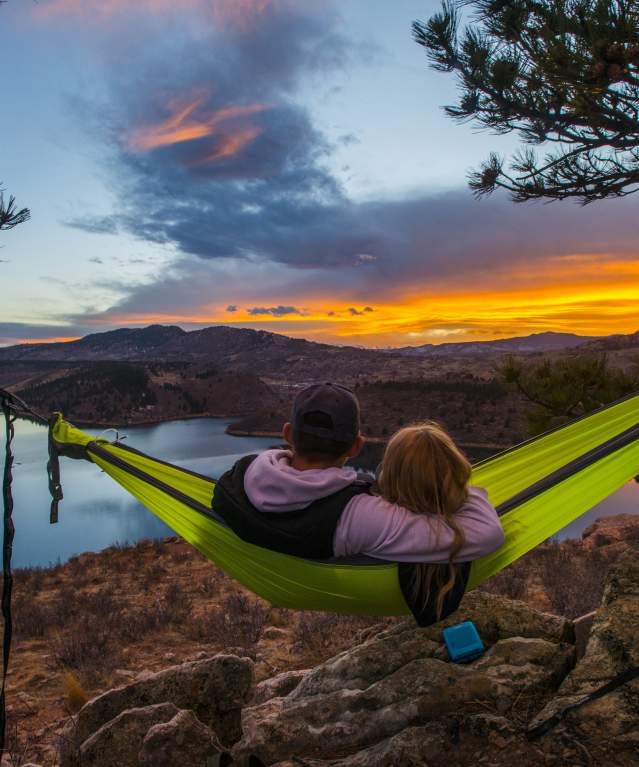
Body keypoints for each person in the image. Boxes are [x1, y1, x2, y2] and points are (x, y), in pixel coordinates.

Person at [212, 382, 504, 624]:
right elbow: (486, 533)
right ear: (356, 447)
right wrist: (460, 484)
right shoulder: (358, 515)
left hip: (269, 576)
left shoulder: (241, 478)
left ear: (287, 434)